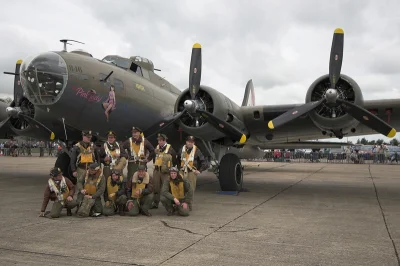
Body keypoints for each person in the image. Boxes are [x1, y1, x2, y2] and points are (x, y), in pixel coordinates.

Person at [177, 136, 208, 210]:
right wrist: (178, 169)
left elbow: (204, 162)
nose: (190, 143)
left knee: (190, 189)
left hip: (191, 172)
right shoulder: (181, 149)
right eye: (188, 141)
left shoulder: (197, 150)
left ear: (193, 143)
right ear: (186, 142)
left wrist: (199, 170)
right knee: (180, 187)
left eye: (191, 142)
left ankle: (189, 205)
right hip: (182, 171)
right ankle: (181, 204)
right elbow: (178, 159)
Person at [151, 133, 177, 209]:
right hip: (157, 170)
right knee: (156, 187)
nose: (159, 142)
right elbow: (154, 157)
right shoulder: (157, 148)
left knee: (166, 188)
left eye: (161, 140)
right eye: (158, 140)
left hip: (165, 172)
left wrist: (171, 169)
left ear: (165, 141)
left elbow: (174, 158)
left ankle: (168, 204)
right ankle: (156, 203)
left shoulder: (170, 148)